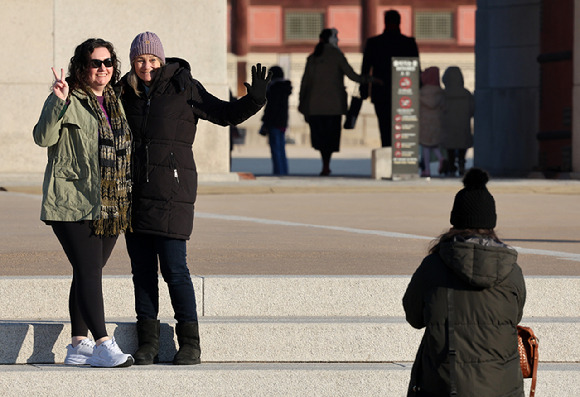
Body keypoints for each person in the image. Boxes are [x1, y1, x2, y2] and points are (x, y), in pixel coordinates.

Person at [119, 32, 270, 365]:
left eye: (152, 60)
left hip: (172, 192)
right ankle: (148, 342)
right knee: (142, 272)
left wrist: (255, 100)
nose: (147, 66)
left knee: (175, 269)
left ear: (162, 59)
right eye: (140, 60)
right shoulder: (123, 93)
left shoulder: (183, 87)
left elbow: (225, 114)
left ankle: (190, 342)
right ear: (133, 63)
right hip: (134, 195)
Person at [32, 38, 134, 368]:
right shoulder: (68, 98)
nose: (102, 68)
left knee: (86, 271)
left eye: (107, 63)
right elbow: (42, 138)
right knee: (90, 271)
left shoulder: (116, 101)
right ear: (82, 67)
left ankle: (78, 344)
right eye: (95, 63)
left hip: (109, 203)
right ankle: (104, 343)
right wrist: (56, 103)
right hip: (72, 199)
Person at [403, 168, 526, 396]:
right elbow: (514, 317)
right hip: (503, 388)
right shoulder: (512, 270)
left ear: (455, 221)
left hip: (444, 385)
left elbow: (414, 317)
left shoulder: (433, 267)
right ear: (491, 224)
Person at [299, 28, 371, 176]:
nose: (338, 40)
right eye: (336, 37)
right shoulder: (337, 55)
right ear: (332, 39)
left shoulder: (312, 57)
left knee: (320, 138)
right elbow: (353, 76)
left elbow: (304, 83)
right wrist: (370, 79)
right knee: (330, 139)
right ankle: (326, 164)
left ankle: (324, 163)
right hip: (334, 107)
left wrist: (302, 103)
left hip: (314, 106)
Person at [360, 10, 419, 147]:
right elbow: (415, 68)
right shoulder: (408, 43)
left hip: (381, 92)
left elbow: (365, 69)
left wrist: (364, 90)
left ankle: (387, 152)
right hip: (404, 92)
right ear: (399, 22)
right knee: (402, 129)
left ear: (385, 22)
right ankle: (399, 158)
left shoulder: (374, 43)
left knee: (385, 128)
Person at [441, 66, 475, 177]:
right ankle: (461, 164)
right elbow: (472, 109)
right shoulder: (466, 94)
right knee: (462, 147)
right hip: (463, 125)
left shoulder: (444, 94)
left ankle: (451, 166)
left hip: (448, 126)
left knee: (450, 148)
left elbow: (440, 109)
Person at [261, 65, 292, 175]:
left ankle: (278, 172)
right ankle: (284, 171)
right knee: (282, 149)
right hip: (283, 122)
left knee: (275, 150)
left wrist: (265, 121)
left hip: (273, 122)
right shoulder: (285, 88)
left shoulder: (273, 88)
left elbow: (271, 108)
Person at [419, 66, 445, 177]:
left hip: (425, 122)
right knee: (434, 145)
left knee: (425, 146)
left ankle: (427, 170)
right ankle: (441, 158)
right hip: (437, 122)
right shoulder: (441, 92)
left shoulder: (422, 92)